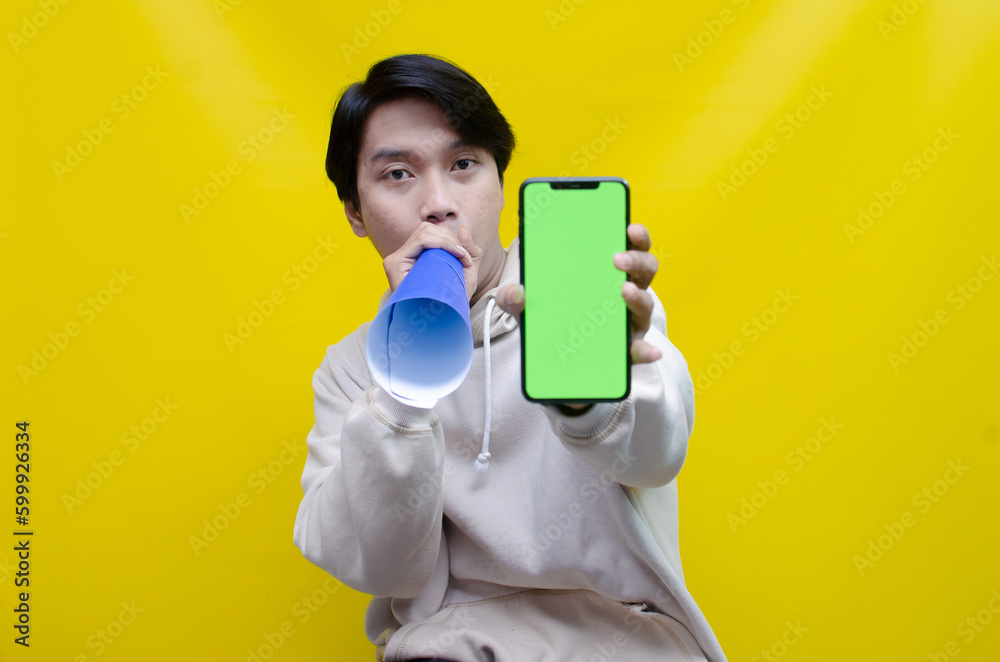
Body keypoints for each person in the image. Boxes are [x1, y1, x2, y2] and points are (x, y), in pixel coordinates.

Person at [293, 53, 726, 662]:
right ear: (356, 214)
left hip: (625, 641)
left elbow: (655, 456)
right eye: (397, 174)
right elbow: (381, 565)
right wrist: (403, 381)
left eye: (465, 164)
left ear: (500, 183)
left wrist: (589, 391)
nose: (438, 204)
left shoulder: (582, 296)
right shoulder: (352, 370)